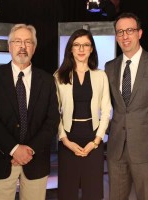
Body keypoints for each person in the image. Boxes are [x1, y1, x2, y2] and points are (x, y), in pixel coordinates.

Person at [0, 24, 59, 200]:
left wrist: (29, 150)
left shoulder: (47, 80)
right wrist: (14, 149)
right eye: (17, 41)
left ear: (34, 47)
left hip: (36, 160)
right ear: (9, 46)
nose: (22, 46)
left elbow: (52, 120)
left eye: (28, 42)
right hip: (1, 159)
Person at [104, 13, 148, 200]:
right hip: (116, 146)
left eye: (129, 30)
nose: (124, 36)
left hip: (146, 146)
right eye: (120, 32)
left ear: (140, 33)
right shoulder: (110, 67)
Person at [54, 29, 112, 200]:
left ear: (91, 49)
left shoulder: (101, 75)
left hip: (93, 137)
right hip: (68, 139)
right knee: (67, 192)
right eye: (77, 45)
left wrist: (96, 141)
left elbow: (106, 110)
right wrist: (65, 140)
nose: (81, 49)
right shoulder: (58, 76)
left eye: (86, 45)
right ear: (70, 48)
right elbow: (54, 112)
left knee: (93, 192)